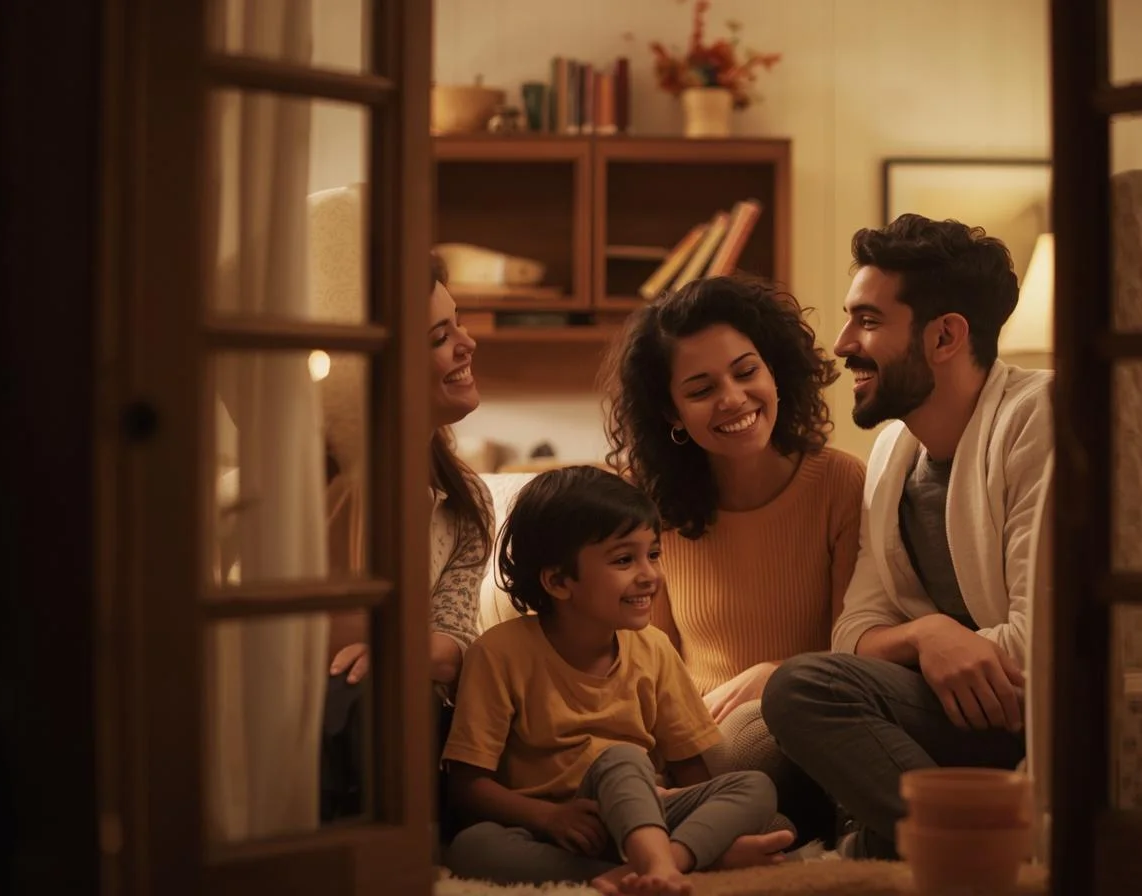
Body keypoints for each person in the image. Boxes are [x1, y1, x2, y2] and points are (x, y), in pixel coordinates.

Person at [762, 215, 1054, 860]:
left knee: (804, 688)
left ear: (945, 335)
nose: (841, 345)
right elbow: (855, 630)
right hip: (954, 710)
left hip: (1034, 715)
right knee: (791, 720)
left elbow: (1037, 650)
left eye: (867, 321)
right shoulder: (895, 449)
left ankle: (960, 846)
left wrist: (932, 647)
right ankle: (933, 838)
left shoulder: (1039, 417)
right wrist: (929, 635)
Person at [442, 466, 794, 893]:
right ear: (557, 580)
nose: (649, 574)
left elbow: (689, 770)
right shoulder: (498, 652)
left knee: (754, 788)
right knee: (472, 845)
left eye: (653, 554)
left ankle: (665, 865)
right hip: (558, 825)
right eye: (625, 559)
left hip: (645, 810)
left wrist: (669, 809)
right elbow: (468, 785)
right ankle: (658, 867)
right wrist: (548, 817)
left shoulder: (655, 648)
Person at [602, 276, 864, 838]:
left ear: (774, 370)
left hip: (802, 722)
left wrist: (776, 677)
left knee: (756, 733)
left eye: (746, 372)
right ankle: (707, 827)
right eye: (700, 390)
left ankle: (678, 824)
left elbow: (855, 654)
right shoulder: (646, 504)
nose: (733, 399)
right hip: (687, 731)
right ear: (671, 413)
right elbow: (646, 663)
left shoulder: (840, 483)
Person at [320, 256, 490, 820]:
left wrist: (398, 654)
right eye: (441, 336)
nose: (467, 344)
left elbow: (455, 641)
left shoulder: (465, 501)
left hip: (407, 715)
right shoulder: (319, 480)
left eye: (457, 323)